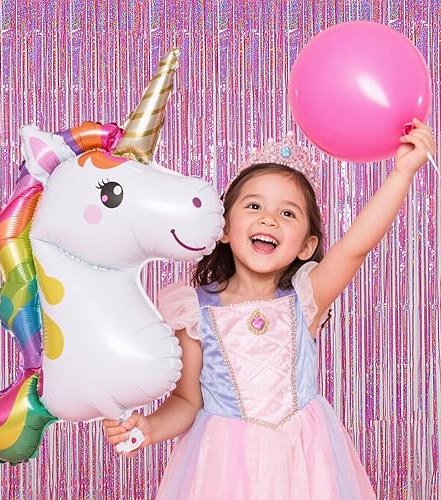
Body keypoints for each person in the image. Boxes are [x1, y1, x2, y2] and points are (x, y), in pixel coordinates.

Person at [103, 118, 436, 499]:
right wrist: (150, 427)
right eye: (254, 206)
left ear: (306, 246)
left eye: (287, 213)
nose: (269, 219)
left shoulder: (307, 297)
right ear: (224, 229)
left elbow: (356, 246)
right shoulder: (195, 312)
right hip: (225, 469)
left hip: (304, 461)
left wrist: (402, 174)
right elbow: (187, 401)